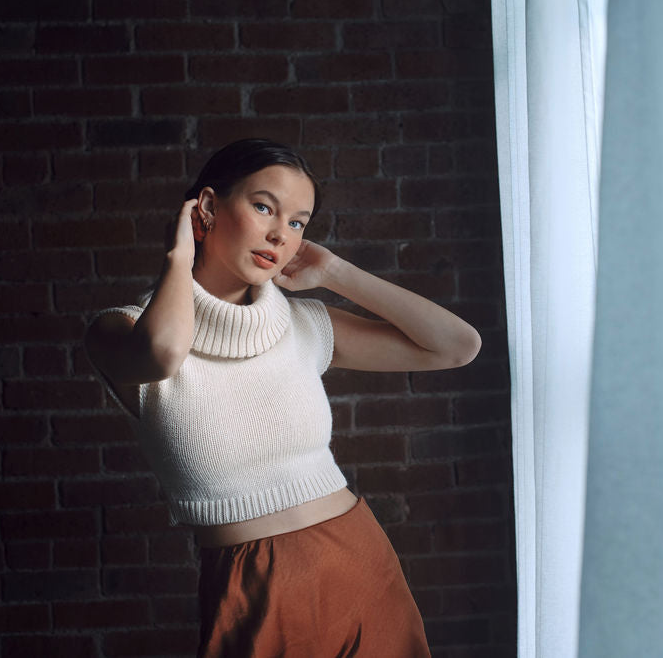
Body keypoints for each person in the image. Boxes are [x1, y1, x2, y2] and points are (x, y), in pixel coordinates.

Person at [84, 138, 481, 657]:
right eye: (264, 207)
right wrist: (179, 255)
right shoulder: (119, 331)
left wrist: (335, 273)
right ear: (206, 208)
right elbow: (163, 353)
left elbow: (457, 346)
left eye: (297, 222)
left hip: (359, 565)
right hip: (253, 592)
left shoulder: (303, 324)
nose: (280, 234)